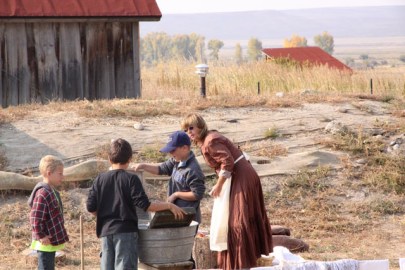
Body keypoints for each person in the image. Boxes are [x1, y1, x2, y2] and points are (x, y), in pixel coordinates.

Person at [181, 113, 273, 270]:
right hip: (240, 175)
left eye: (191, 128)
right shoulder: (207, 140)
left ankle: (241, 262)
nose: (189, 132)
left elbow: (227, 162)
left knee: (238, 220)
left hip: (242, 176)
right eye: (185, 130)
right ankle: (239, 261)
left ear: (201, 127)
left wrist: (219, 185)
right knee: (235, 218)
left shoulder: (210, 141)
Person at [86, 138, 185, 270]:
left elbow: (91, 208)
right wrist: (169, 205)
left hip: (105, 233)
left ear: (109, 159)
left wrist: (105, 216)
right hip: (126, 233)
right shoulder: (131, 179)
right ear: (129, 159)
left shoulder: (100, 179)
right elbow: (146, 205)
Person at [131, 130, 206, 224]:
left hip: (186, 217)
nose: (170, 153)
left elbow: (197, 194)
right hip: (175, 213)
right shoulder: (176, 160)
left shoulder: (192, 170)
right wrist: (144, 166)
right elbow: (161, 169)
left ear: (185, 148)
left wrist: (176, 194)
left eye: (173, 150)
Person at [28, 155, 69, 270]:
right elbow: (35, 217)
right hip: (45, 243)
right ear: (49, 173)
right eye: (60, 173)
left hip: (49, 243)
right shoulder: (43, 193)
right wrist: (41, 235)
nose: (63, 176)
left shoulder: (52, 191)